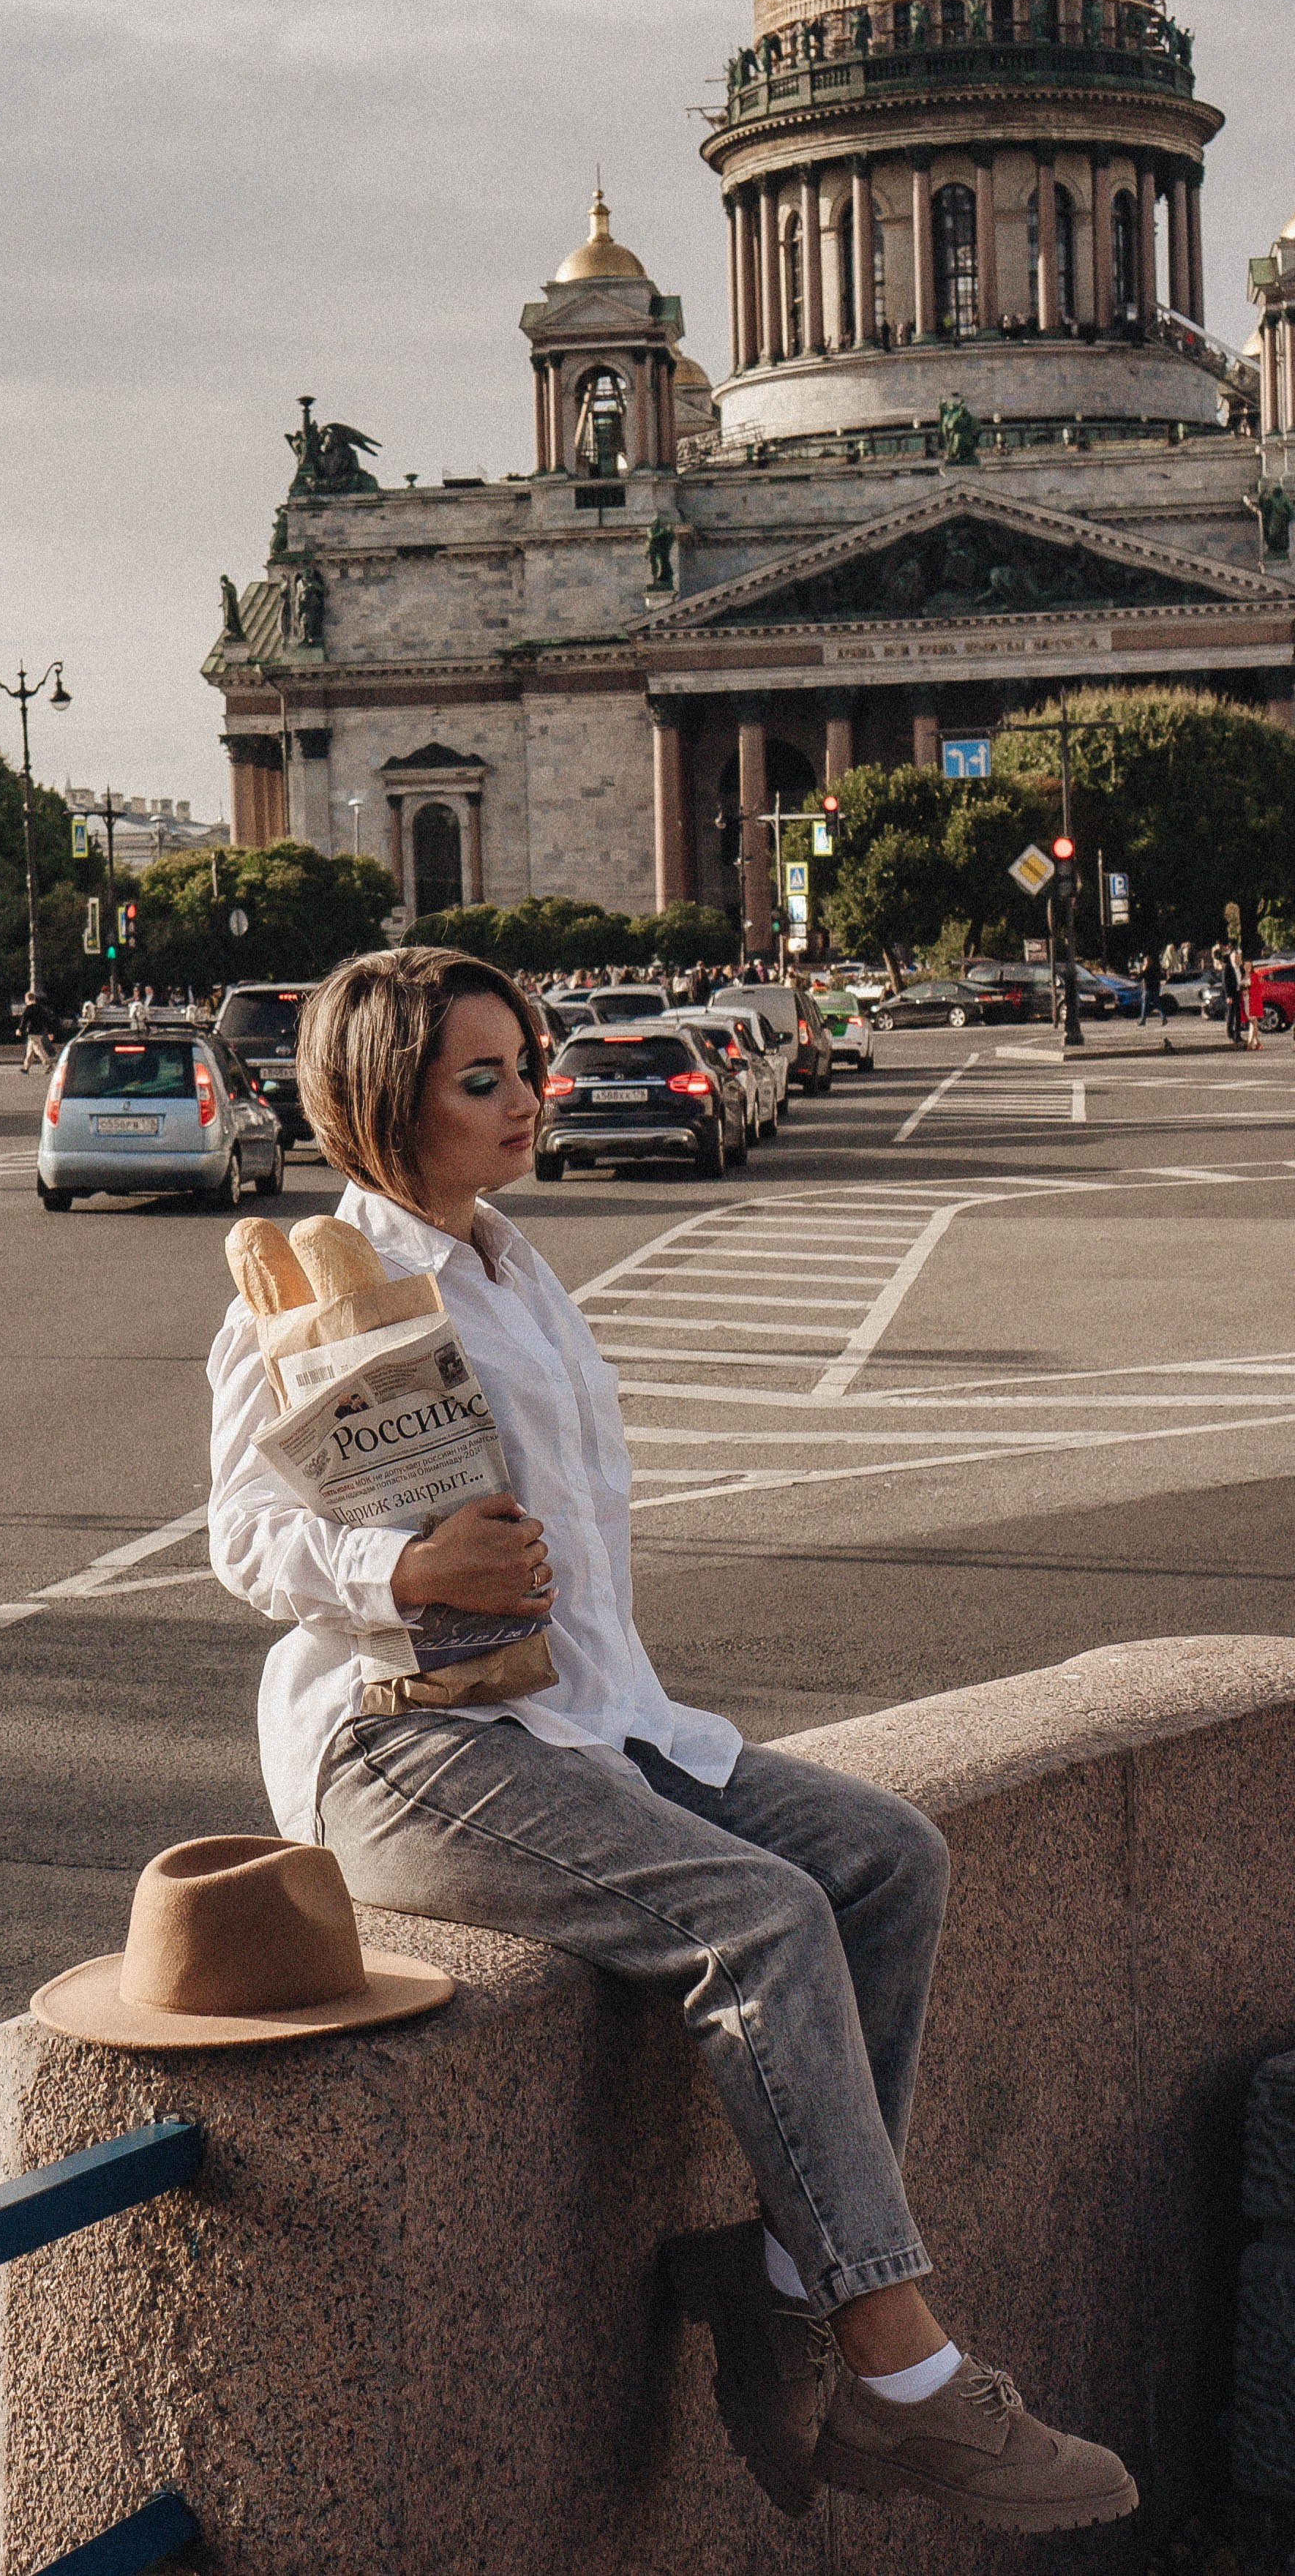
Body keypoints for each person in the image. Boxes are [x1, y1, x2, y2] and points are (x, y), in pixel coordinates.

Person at [208, 946, 1136, 2536]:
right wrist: (405, 1569)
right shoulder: (314, 1286)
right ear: (380, 1099)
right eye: (482, 1079)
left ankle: (773, 2273)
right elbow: (239, 1536)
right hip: (406, 1742)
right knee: (756, 1915)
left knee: (885, 1857)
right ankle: (900, 2369)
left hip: (589, 1719)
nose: (528, 1096)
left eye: (527, 1063)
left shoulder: (512, 1267)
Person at [18, 992, 53, 1072]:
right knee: (30, 1051)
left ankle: (48, 1065)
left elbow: (24, 1020)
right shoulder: (41, 1008)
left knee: (38, 1049)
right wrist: (50, 1032)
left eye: (26, 999)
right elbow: (47, 1021)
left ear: (28, 999)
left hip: (32, 1032)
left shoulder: (29, 1008)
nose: (25, 1001)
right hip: (40, 1031)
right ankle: (26, 1068)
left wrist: (20, 1030)